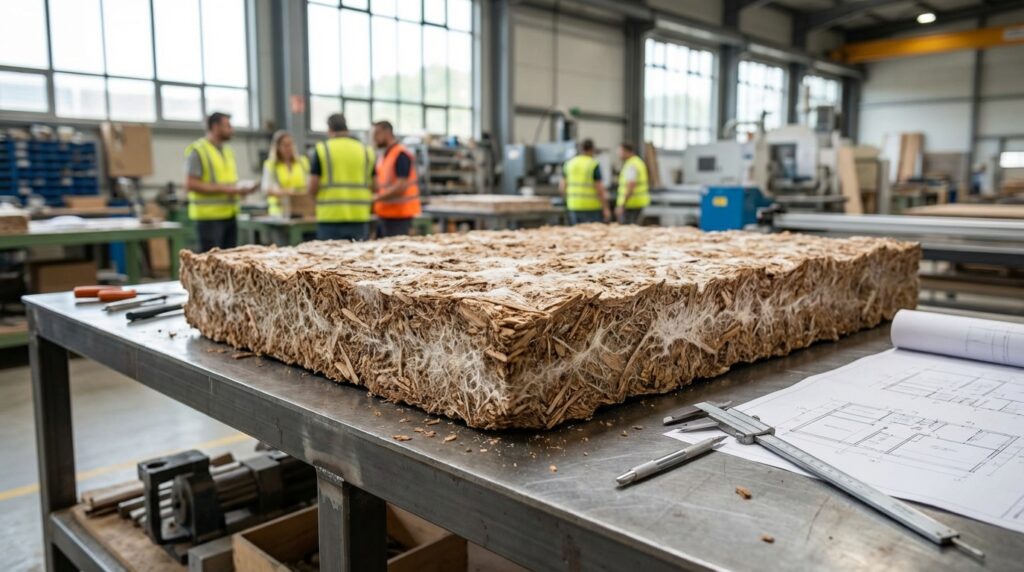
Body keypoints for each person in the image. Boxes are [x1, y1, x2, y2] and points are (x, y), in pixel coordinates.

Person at [185, 112, 256, 252]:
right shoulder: (199, 150)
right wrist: (227, 190)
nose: (232, 129)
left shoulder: (227, 151)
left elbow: (228, 181)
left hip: (229, 215)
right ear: (215, 127)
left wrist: (240, 189)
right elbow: (191, 184)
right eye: (228, 126)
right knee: (211, 265)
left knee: (229, 263)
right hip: (209, 218)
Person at [307, 113, 376, 241]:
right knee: (360, 258)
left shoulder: (323, 149)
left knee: (330, 258)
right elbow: (374, 185)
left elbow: (312, 186)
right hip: (359, 217)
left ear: (329, 129)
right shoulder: (366, 151)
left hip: (329, 218)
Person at [371, 121, 421, 238]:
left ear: (387, 132)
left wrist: (376, 198)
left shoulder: (400, 154)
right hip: (385, 214)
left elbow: (401, 187)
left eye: (376, 133)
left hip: (399, 215)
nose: (374, 138)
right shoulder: (384, 156)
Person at [560, 138, 610, 225]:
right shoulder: (593, 164)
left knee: (576, 236)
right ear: (592, 149)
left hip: (573, 206)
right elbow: (599, 189)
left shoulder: (569, 163)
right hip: (591, 208)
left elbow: (562, 186)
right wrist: (605, 208)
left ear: (581, 149)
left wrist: (566, 201)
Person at [262, 130, 309, 218]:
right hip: (279, 212)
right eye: (285, 145)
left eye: (291, 144)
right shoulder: (270, 165)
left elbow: (309, 184)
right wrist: (288, 192)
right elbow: (266, 189)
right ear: (278, 147)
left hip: (302, 210)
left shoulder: (302, 162)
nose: (289, 148)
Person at [615, 142, 650, 224]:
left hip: (631, 204)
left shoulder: (632, 165)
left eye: (620, 151)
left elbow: (631, 185)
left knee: (629, 229)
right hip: (635, 202)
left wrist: (622, 205)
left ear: (626, 151)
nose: (618, 154)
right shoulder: (637, 162)